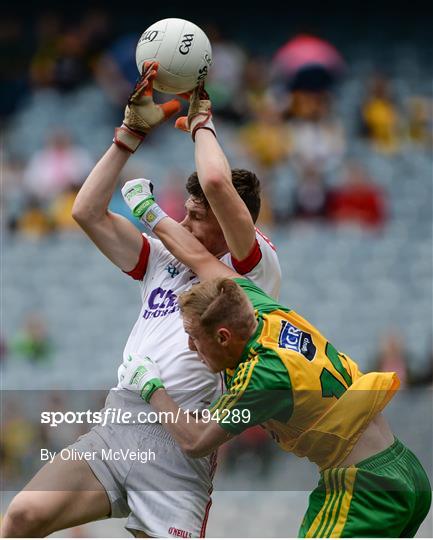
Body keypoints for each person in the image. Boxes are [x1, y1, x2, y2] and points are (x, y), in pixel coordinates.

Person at [2, 63, 281, 538]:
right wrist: (128, 137)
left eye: (197, 217)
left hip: (179, 446)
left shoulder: (255, 268)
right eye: (184, 213)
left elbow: (215, 184)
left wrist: (201, 123)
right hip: (120, 422)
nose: (186, 221)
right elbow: (85, 211)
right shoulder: (159, 257)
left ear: (234, 222)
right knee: (21, 517)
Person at [117, 190, 432, 538]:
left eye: (194, 336)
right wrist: (149, 210)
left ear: (223, 336)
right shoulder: (258, 306)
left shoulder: (261, 376)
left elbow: (196, 442)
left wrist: (151, 387)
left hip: (364, 485)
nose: (190, 346)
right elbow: (195, 255)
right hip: (403, 468)